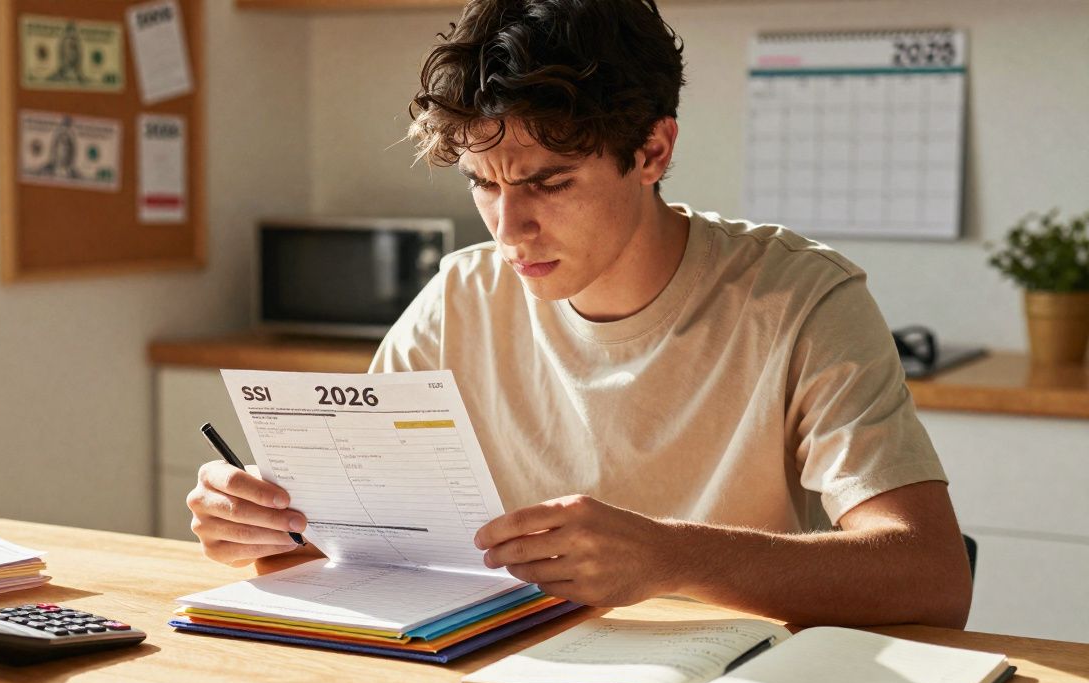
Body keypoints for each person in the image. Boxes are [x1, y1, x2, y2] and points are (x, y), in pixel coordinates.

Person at [187, 0, 972, 628]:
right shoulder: (457, 299)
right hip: (500, 680)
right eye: (483, 185)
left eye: (549, 183)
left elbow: (932, 576)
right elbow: (365, 550)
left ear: (653, 152)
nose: (508, 228)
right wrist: (269, 529)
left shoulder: (801, 300)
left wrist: (673, 556)